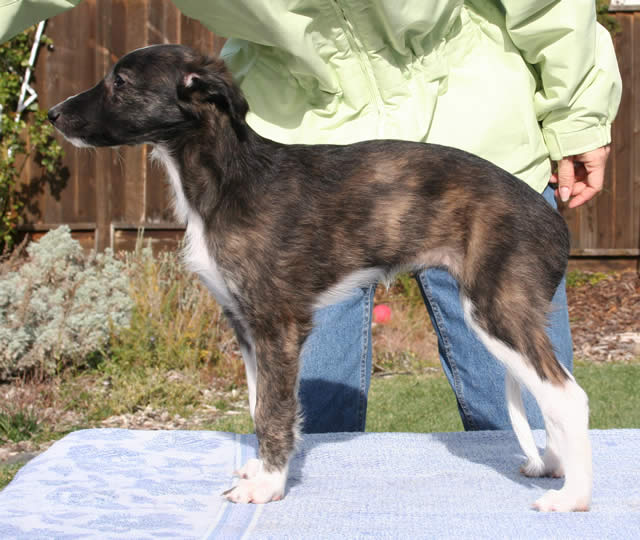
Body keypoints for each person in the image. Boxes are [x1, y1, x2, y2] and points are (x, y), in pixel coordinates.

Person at [1, 1, 622, 432]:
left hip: (476, 150)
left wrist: (579, 112)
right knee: (307, 439)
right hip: (295, 175)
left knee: (538, 412)